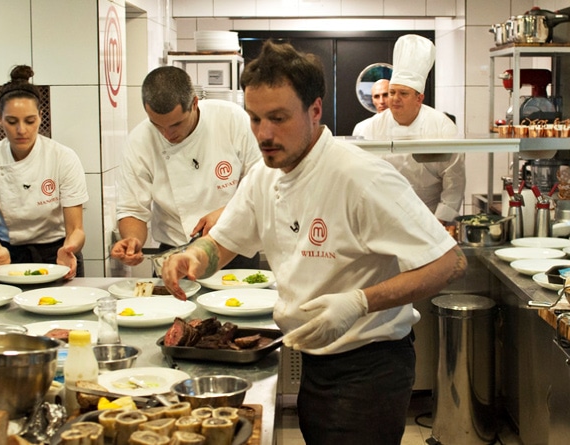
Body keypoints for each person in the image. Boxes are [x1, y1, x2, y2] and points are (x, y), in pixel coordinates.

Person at [160, 40, 467, 444]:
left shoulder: (360, 177)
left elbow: (449, 263)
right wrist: (195, 256)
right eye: (254, 119)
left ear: (315, 110)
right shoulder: (264, 176)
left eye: (278, 118)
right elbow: (225, 241)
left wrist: (358, 302)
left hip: (370, 367)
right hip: (314, 361)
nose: (264, 135)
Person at [110, 66, 261, 271]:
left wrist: (227, 212)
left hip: (234, 249)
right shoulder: (138, 142)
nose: (167, 134)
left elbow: (260, 183)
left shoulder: (231, 120)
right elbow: (132, 209)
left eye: (176, 124)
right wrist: (132, 240)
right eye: (157, 125)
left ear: (195, 103)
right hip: (174, 253)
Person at [0, 65, 88, 279]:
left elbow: (76, 229)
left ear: (41, 117)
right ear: (0, 118)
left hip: (57, 256)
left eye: (30, 121)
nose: (21, 130)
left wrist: (69, 248)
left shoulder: (62, 157)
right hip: (8, 256)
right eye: (12, 121)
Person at [361, 34, 465, 225]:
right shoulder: (371, 127)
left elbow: (454, 181)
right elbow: (362, 176)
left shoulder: (442, 126)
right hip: (383, 216)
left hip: (430, 217)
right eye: (392, 92)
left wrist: (440, 221)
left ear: (419, 98)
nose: (394, 98)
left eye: (403, 93)